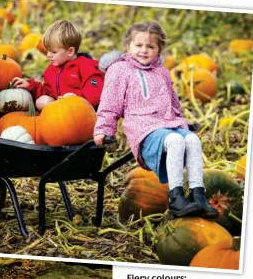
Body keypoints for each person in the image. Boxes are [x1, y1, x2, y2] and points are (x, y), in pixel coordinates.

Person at [93, 21, 218, 219]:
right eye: (138, 45)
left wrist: (183, 124)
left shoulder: (162, 73)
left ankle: (198, 195)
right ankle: (175, 198)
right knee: (176, 141)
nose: (144, 50)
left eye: (150, 46)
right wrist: (104, 130)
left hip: (168, 123)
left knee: (193, 140)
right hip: (142, 128)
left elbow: (173, 104)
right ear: (128, 46)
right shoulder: (120, 70)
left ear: (159, 50)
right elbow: (110, 104)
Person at [12, 20, 104, 111]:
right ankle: (56, 121)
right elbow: (47, 91)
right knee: (41, 101)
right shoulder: (51, 70)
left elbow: (94, 93)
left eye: (53, 52)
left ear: (70, 51)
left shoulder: (86, 66)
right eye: (47, 51)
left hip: (80, 111)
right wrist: (30, 86)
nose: (48, 55)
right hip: (61, 112)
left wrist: (76, 99)